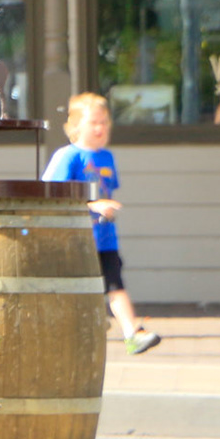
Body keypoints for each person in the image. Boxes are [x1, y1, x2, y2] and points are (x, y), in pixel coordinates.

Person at [43, 93, 160, 355]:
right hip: (74, 239)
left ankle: (132, 333)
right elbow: (50, 195)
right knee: (76, 289)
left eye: (105, 122)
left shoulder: (106, 157)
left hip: (105, 238)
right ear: (76, 126)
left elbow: (107, 193)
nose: (100, 128)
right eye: (94, 123)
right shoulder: (69, 157)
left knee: (115, 285)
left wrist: (105, 209)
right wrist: (91, 207)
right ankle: (80, 327)